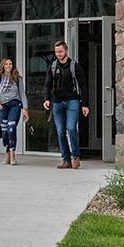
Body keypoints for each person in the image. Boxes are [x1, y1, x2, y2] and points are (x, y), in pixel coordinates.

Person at [42, 39, 89, 169]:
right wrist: (47, 99)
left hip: (72, 101)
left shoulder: (75, 66)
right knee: (60, 131)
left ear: (66, 51)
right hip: (57, 103)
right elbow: (47, 85)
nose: (58, 54)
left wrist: (85, 104)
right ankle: (66, 160)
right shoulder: (52, 66)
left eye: (61, 51)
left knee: (71, 128)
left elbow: (83, 86)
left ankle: (75, 156)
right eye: (56, 52)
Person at [0, 57, 28, 165]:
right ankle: (7, 153)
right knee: (4, 131)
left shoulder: (17, 78)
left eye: (10, 64)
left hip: (14, 104)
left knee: (11, 127)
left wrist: (25, 109)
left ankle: (13, 155)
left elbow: (22, 93)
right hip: (1, 106)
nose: (9, 66)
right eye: (6, 64)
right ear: (3, 65)